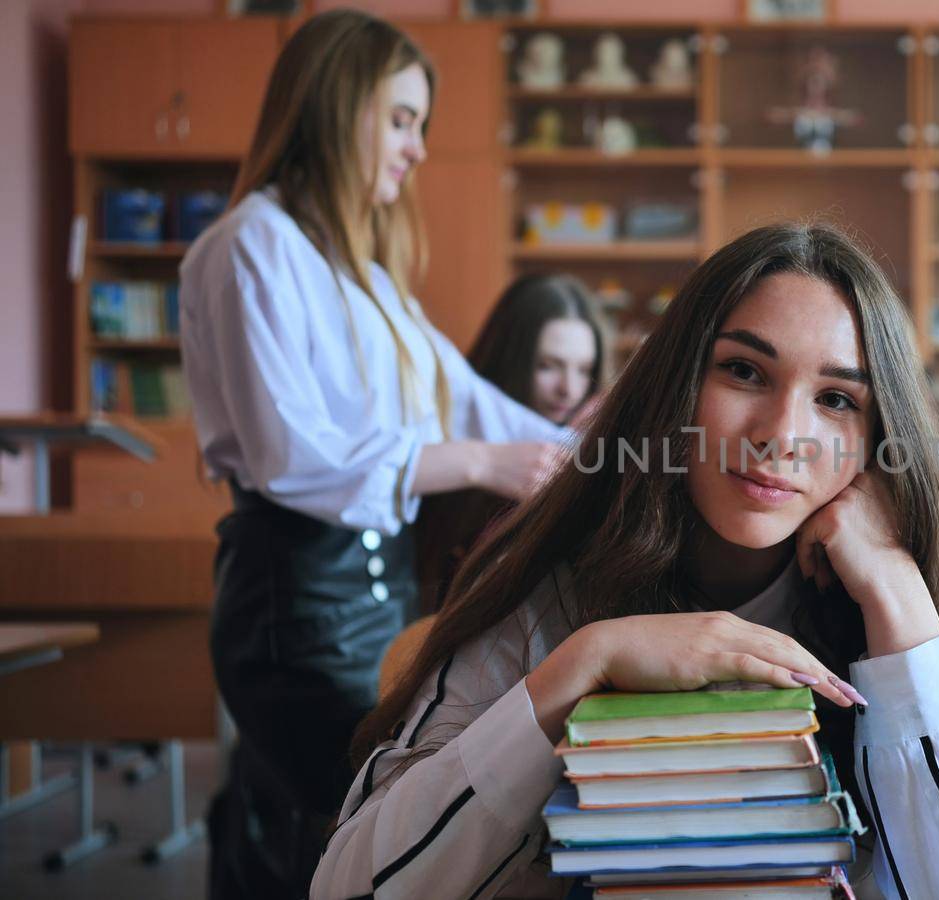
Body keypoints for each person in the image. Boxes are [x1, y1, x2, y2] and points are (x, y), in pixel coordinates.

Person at [311, 224, 939, 899]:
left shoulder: (891, 602)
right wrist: (585, 664)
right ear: (677, 384)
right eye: (745, 371)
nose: (781, 433)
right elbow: (351, 887)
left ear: (878, 440)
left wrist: (893, 585)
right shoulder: (548, 588)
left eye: (837, 400)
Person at [178, 10, 570, 898]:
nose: (418, 147)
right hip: (297, 603)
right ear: (333, 106)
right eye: (400, 119)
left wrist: (615, 440)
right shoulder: (249, 247)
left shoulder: (369, 279)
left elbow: (477, 404)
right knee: (372, 822)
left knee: (379, 817)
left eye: (421, 125)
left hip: (376, 591)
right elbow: (292, 458)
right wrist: (476, 463)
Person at [416, 274, 608, 611]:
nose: (569, 389)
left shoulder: (601, 454)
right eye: (548, 366)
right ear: (511, 360)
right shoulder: (445, 445)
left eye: (584, 370)